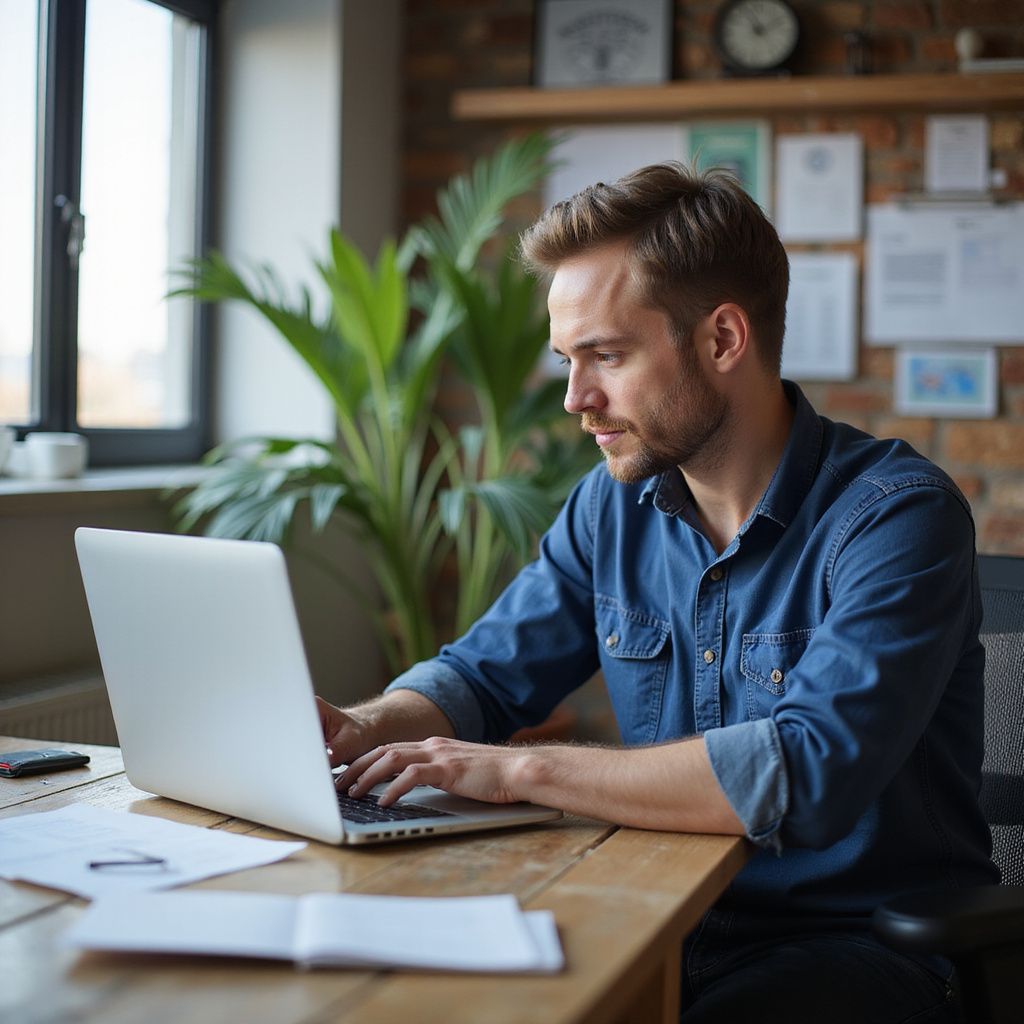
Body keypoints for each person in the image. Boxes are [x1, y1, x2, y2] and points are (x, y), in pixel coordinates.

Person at [320, 163, 996, 1022]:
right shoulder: (611, 503)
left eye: (606, 355)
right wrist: (362, 727)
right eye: (568, 360)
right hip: (650, 912)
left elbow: (806, 768)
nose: (575, 399)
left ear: (721, 340)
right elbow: (485, 675)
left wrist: (521, 769)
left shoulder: (897, 518)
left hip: (860, 948)